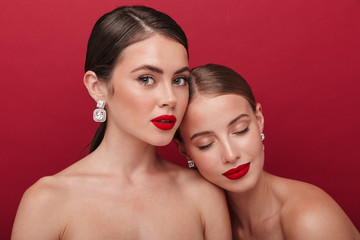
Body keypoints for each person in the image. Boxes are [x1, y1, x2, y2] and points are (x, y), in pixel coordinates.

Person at [11, 7, 231, 239]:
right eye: (146, 79)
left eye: (179, 80)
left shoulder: (203, 194)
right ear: (97, 87)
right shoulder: (47, 201)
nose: (170, 98)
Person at [175, 64, 360, 240]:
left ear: (259, 120)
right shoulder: (206, 223)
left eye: (240, 130)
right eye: (206, 144)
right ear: (185, 150)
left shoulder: (311, 218)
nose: (231, 155)